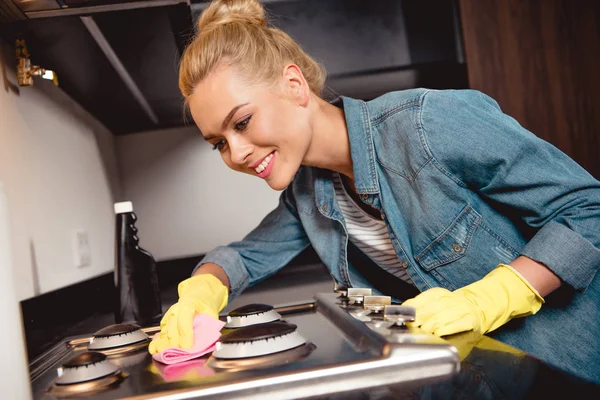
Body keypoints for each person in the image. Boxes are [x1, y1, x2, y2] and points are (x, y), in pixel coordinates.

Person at [148, 0, 600, 386]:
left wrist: (498, 294)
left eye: (242, 122)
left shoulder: (427, 123)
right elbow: (243, 258)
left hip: (573, 366)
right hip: (492, 380)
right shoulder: (308, 194)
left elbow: (587, 207)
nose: (237, 153)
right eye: (220, 143)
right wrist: (198, 294)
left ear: (294, 86)